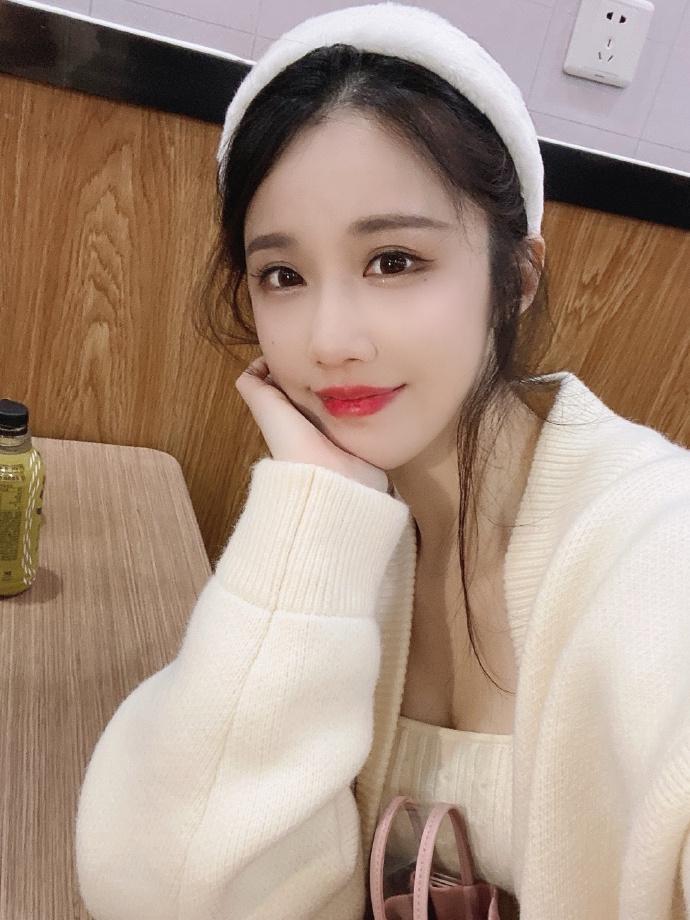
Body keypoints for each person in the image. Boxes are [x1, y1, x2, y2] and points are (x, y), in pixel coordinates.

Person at [75, 4, 690, 919]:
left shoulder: (657, 553)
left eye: (394, 261)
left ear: (515, 278)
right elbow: (162, 891)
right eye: (282, 275)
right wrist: (314, 514)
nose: (329, 341)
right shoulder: (351, 518)